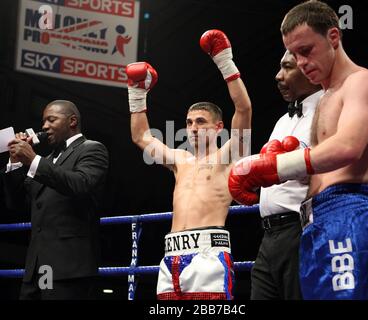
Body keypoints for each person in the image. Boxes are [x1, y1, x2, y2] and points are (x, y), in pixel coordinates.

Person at [229, 0, 368, 299]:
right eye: (294, 54)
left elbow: (348, 147)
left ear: (333, 37)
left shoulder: (362, 83)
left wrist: (275, 167)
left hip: (347, 214)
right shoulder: (327, 97)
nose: (301, 62)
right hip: (315, 220)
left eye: (306, 51)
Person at [127, 30, 252, 300]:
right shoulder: (179, 160)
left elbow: (243, 109)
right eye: (189, 122)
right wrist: (136, 93)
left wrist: (224, 61)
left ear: (219, 128)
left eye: (201, 122)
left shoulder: (228, 155)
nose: (193, 128)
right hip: (171, 253)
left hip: (209, 254)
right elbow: (141, 137)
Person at [2, 100, 109, 300]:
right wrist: (15, 164)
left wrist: (33, 160)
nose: (44, 126)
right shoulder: (48, 160)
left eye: (51, 120)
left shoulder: (92, 149)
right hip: (37, 267)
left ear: (72, 121)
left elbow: (80, 184)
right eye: (43, 121)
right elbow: (17, 204)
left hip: (69, 267)